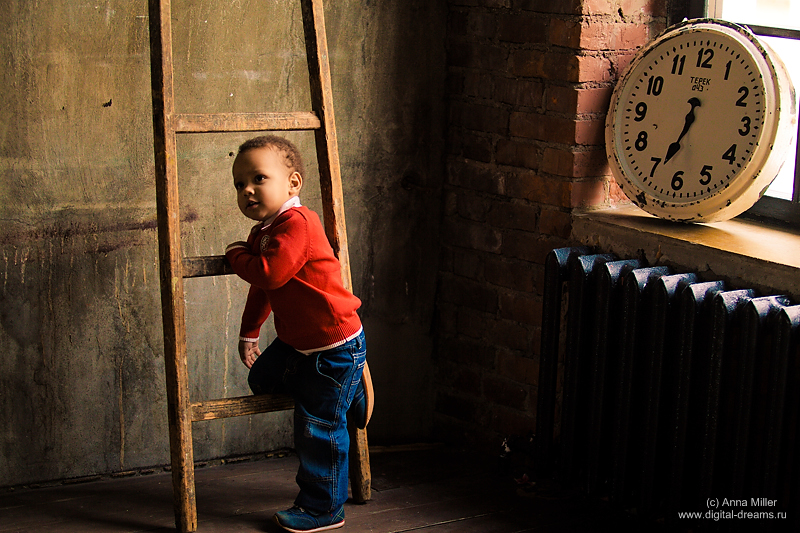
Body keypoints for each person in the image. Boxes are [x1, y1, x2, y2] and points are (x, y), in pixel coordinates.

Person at [225, 135, 372, 533]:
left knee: (317, 428)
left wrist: (235, 255)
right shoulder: (264, 232)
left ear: (292, 183)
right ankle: (346, 391)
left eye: (258, 178)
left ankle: (323, 508)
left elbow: (269, 273)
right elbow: (264, 288)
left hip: (333, 345)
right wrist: (249, 333)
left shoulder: (298, 224)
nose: (247, 190)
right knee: (262, 380)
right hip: (298, 342)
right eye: (239, 184)